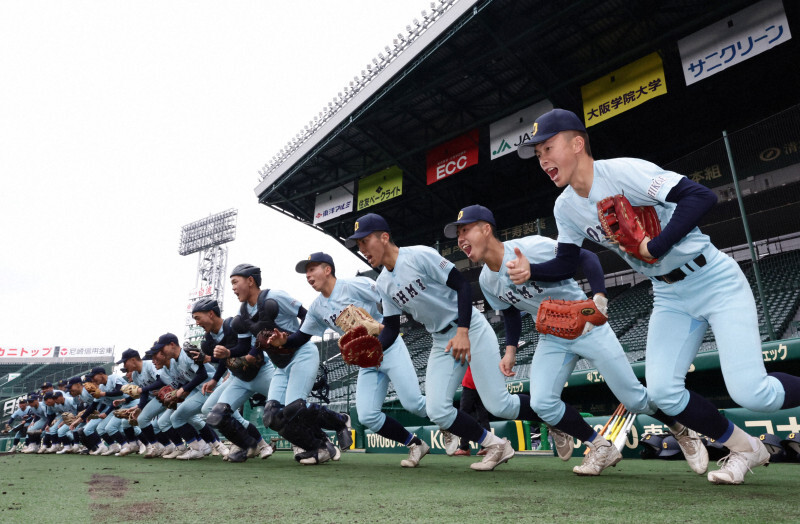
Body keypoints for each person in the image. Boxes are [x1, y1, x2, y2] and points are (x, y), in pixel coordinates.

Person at [512, 108, 800, 484]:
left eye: (548, 147)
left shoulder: (623, 172)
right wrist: (532, 272)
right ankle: (746, 448)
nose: (543, 160)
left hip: (713, 279)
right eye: (538, 155)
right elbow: (566, 263)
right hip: (669, 296)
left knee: (753, 393)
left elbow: (699, 197)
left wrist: (656, 245)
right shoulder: (565, 206)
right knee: (664, 393)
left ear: (577, 143)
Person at [445, 204, 706, 475]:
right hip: (552, 335)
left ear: (486, 229)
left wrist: (600, 295)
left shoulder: (530, 247)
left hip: (587, 325)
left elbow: (585, 257)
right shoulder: (487, 280)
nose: (461, 238)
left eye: (466, 230)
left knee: (635, 400)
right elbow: (510, 312)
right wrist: (510, 350)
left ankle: (681, 429)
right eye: (458, 234)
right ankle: (601, 447)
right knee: (542, 402)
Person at [347, 213, 555, 471]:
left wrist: (464, 331)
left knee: (499, 404)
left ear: (385, 237)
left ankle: (554, 419)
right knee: (437, 410)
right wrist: (373, 350)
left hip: (471, 328)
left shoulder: (418, 256)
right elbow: (390, 327)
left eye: (365, 241)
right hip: (440, 340)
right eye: (359, 245)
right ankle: (495, 445)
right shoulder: (383, 283)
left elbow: (462, 285)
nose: (363, 249)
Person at [271, 251, 447, 467]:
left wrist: (380, 321)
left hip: (388, 346)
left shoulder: (355, 285)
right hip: (366, 359)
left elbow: (388, 295)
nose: (308, 275)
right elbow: (302, 336)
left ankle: (456, 425)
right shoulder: (317, 306)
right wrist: (284, 342)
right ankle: (415, 444)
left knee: (413, 403)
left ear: (328, 270)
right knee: (367, 416)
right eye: (306, 272)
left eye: (312, 269)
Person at [223, 262, 350, 466]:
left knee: (294, 409)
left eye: (235, 282)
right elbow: (245, 346)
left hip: (301, 353)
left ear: (250, 281)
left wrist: (292, 339)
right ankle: (318, 446)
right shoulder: (244, 312)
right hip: (280, 365)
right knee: (272, 417)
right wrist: (227, 353)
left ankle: (339, 421)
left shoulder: (275, 296)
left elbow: (307, 315)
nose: (233, 287)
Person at [454, 366, 490, 457]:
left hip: (474, 384)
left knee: (466, 416)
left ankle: (465, 448)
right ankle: (484, 447)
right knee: (481, 416)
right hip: (478, 384)